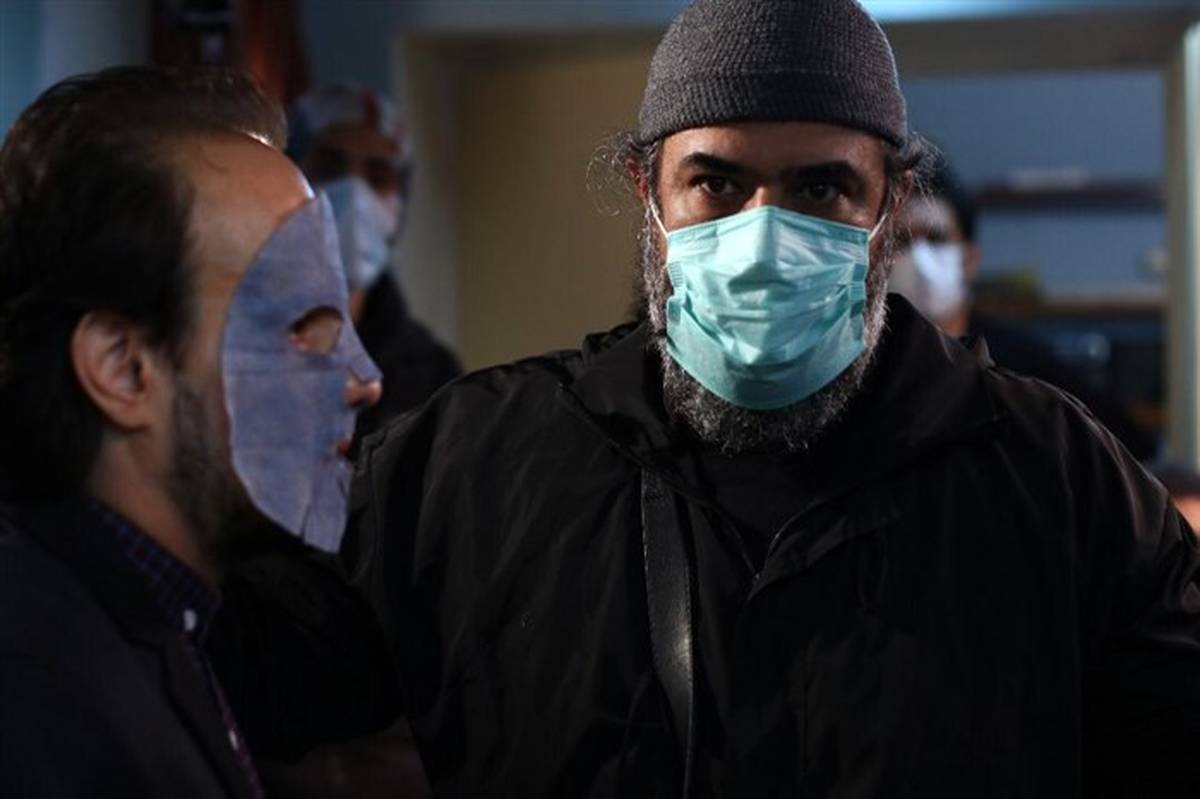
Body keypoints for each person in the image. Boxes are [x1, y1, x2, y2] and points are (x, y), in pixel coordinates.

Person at [344, 1, 1200, 795]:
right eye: (717, 184)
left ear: (891, 204)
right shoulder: (474, 471)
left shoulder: (1049, 479)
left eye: (819, 189)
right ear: (649, 193)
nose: (761, 242)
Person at [0, 65, 384, 797]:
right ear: (125, 368)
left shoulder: (157, 616)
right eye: (299, 326)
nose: (364, 380)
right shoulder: (39, 700)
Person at [890, 153, 1159, 459]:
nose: (919, 259)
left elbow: (1129, 446)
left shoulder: (1026, 372)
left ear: (969, 260)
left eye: (936, 239)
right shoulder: (869, 373)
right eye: (902, 241)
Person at [289, 84, 461, 439]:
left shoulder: (434, 376)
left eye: (378, 177)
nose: (355, 193)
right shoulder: (236, 337)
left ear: (401, 204)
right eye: (331, 167)